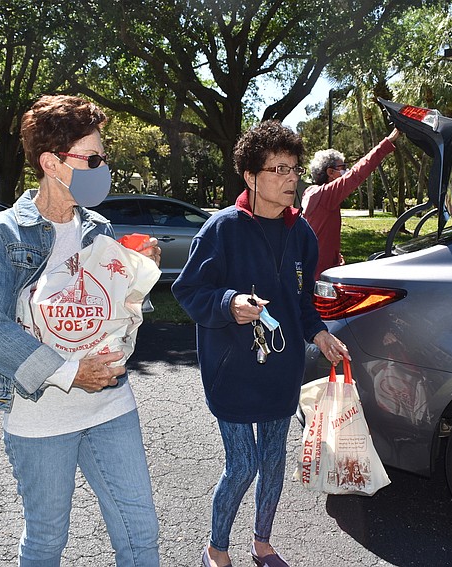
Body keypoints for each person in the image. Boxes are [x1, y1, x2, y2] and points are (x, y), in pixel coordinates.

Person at [0, 94, 162, 567]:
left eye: (102, 157)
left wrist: (137, 278)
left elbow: (113, 314)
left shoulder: (100, 228)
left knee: (141, 535)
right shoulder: (4, 233)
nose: (103, 167)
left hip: (112, 403)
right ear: (52, 162)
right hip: (40, 417)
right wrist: (69, 371)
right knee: (47, 540)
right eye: (93, 158)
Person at [172, 121, 350, 567]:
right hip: (231, 371)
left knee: (273, 462)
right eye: (278, 169)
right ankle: (217, 546)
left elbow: (302, 303)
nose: (291, 179)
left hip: (282, 371)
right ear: (251, 176)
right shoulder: (221, 229)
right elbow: (189, 291)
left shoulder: (302, 233)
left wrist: (320, 334)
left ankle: (263, 542)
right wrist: (230, 303)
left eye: (294, 170)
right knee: (243, 465)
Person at [302, 128, 402, 279]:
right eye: (342, 168)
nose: (346, 171)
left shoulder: (310, 192)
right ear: (330, 172)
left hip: (310, 268)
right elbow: (357, 173)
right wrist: (387, 143)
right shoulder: (327, 195)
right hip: (322, 274)